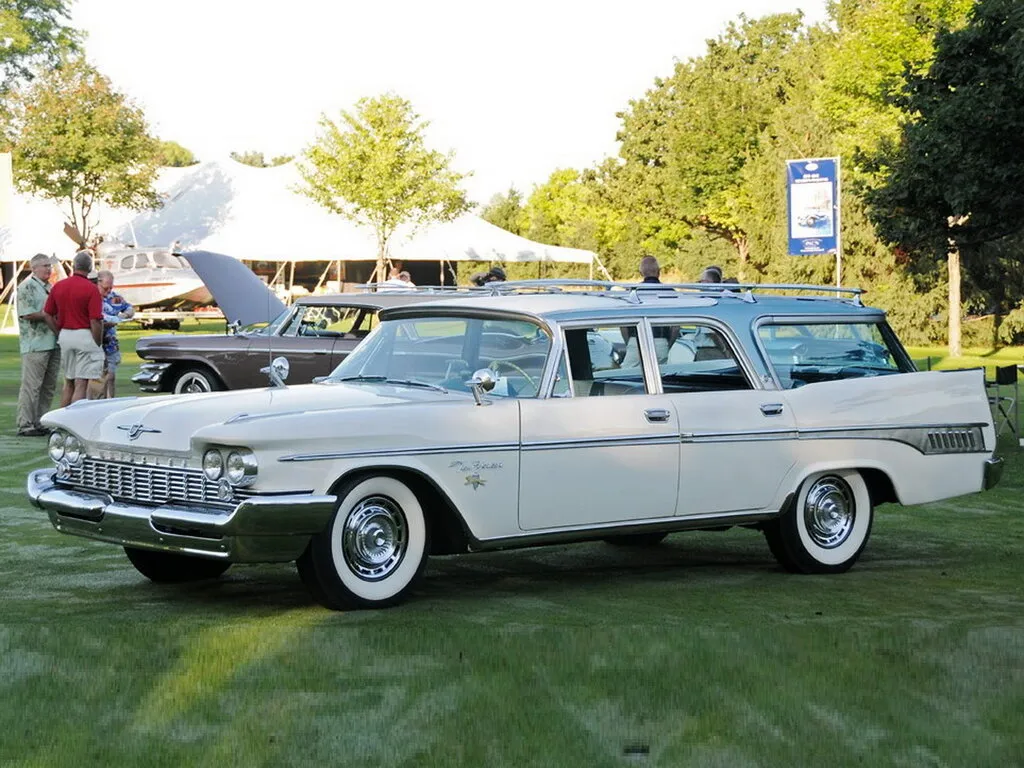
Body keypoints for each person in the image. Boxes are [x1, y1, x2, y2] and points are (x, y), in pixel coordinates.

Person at [43, 250, 104, 406]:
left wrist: (58, 332)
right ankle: (76, 417)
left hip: (65, 335)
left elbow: (47, 314)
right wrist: (97, 341)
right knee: (81, 382)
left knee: (69, 381)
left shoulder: (58, 286)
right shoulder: (91, 289)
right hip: (84, 334)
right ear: (90, 268)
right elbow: (95, 320)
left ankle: (62, 416)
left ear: (74, 266)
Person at [15, 254, 61, 437]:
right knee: (32, 386)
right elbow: (27, 314)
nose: (48, 269)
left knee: (48, 386)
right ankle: (25, 423)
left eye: (49, 265)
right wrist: (48, 314)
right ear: (33, 268)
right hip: (35, 343)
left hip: (53, 342)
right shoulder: (27, 287)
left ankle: (40, 421)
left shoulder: (50, 287)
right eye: (44, 266)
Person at [97, 269, 135, 398]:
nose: (108, 291)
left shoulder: (114, 298)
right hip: (96, 341)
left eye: (110, 288)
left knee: (111, 376)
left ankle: (110, 400)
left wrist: (125, 315)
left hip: (110, 343)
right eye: (105, 288)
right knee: (98, 377)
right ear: (98, 283)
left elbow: (130, 308)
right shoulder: (92, 297)